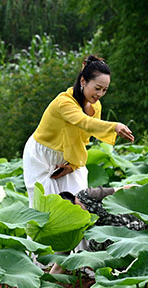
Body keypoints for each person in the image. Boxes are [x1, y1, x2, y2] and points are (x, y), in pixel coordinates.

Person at [23, 55, 134, 207]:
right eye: (97, 88)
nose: (100, 94)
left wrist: (71, 166)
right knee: (45, 210)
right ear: (83, 81)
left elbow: (84, 139)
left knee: (80, 204)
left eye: (104, 90)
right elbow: (84, 122)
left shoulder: (95, 106)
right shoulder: (64, 102)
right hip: (42, 155)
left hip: (70, 156)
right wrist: (114, 127)